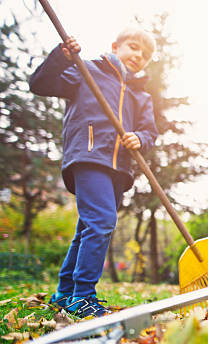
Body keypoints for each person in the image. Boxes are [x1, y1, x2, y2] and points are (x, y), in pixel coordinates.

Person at [29, 28, 158, 318]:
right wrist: (61, 58)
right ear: (115, 46)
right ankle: (83, 296)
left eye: (145, 55)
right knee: (101, 221)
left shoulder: (141, 95)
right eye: (133, 47)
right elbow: (40, 84)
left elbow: (150, 132)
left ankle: (65, 293)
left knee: (88, 227)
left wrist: (139, 137)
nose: (138, 56)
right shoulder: (86, 71)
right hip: (88, 156)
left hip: (119, 168)